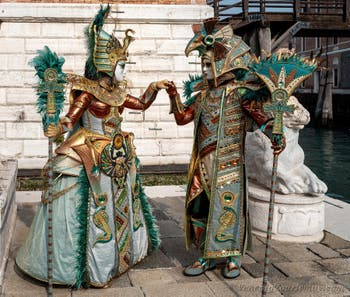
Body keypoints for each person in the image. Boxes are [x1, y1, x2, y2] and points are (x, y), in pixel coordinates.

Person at [16, 5, 169, 288]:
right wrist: (56, 127)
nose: (124, 68)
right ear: (106, 65)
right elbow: (70, 119)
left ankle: (123, 256)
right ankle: (95, 267)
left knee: (123, 202)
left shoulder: (117, 93)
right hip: (89, 153)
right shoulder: (87, 92)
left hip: (118, 154)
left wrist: (156, 87)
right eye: (121, 63)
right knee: (94, 205)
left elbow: (142, 103)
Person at [166, 18, 285, 278]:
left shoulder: (240, 93)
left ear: (224, 63)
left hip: (229, 162)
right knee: (200, 206)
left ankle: (232, 258)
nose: (205, 70)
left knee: (227, 208)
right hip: (202, 163)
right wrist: (173, 95)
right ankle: (205, 256)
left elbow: (262, 119)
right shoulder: (202, 96)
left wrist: (277, 135)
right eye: (203, 65)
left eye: (209, 64)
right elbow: (181, 118)